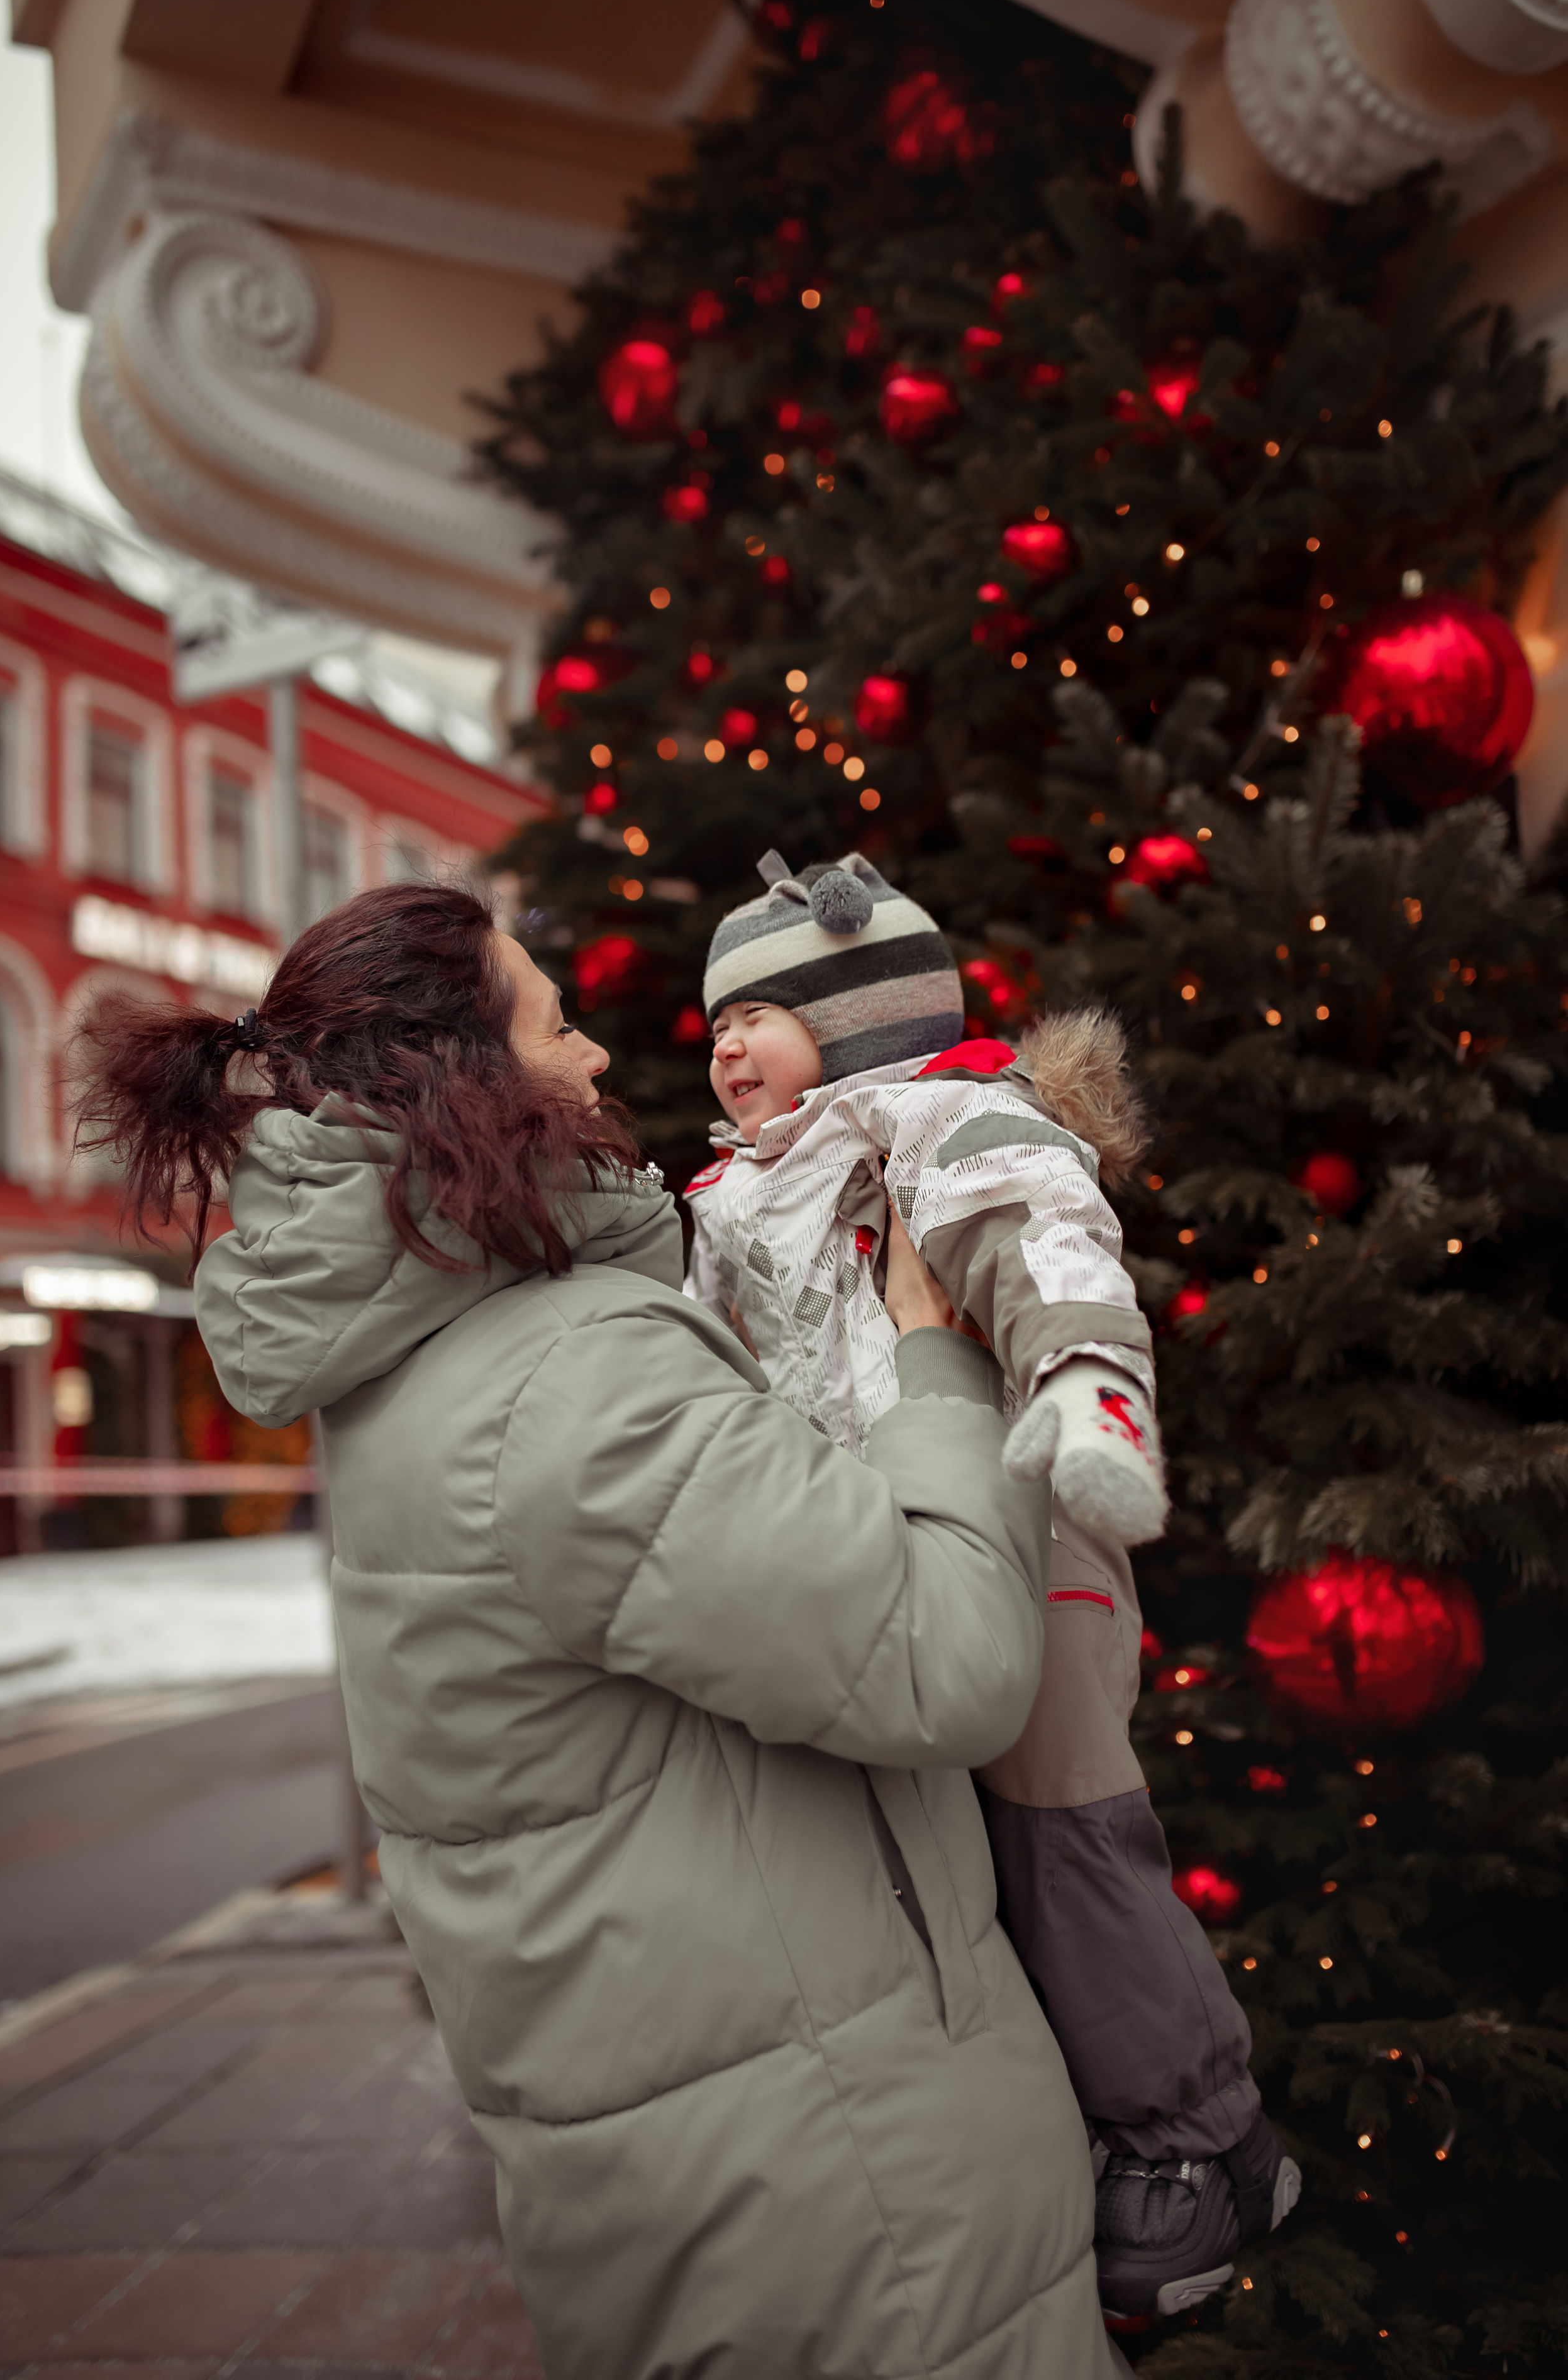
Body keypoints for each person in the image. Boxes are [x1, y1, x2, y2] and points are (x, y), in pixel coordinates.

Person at [75, 881, 1129, 2380]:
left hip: (697, 2174)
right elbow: (944, 1658)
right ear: (466, 1086)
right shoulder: (570, 1382)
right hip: (849, 2208)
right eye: (554, 1027)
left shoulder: (425, 1356)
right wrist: (932, 1358)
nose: (595, 1064)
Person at [684, 849, 1301, 2323]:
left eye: (754, 1016)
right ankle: (1149, 2135)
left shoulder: (943, 1118)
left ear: (858, 1008)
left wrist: (1086, 1389)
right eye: (708, 1029)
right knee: (970, 1863)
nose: (717, 1050)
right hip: (887, 1534)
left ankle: (1193, 2131)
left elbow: (1044, 1244)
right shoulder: (731, 1191)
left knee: (1064, 1829)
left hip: (1029, 1514)